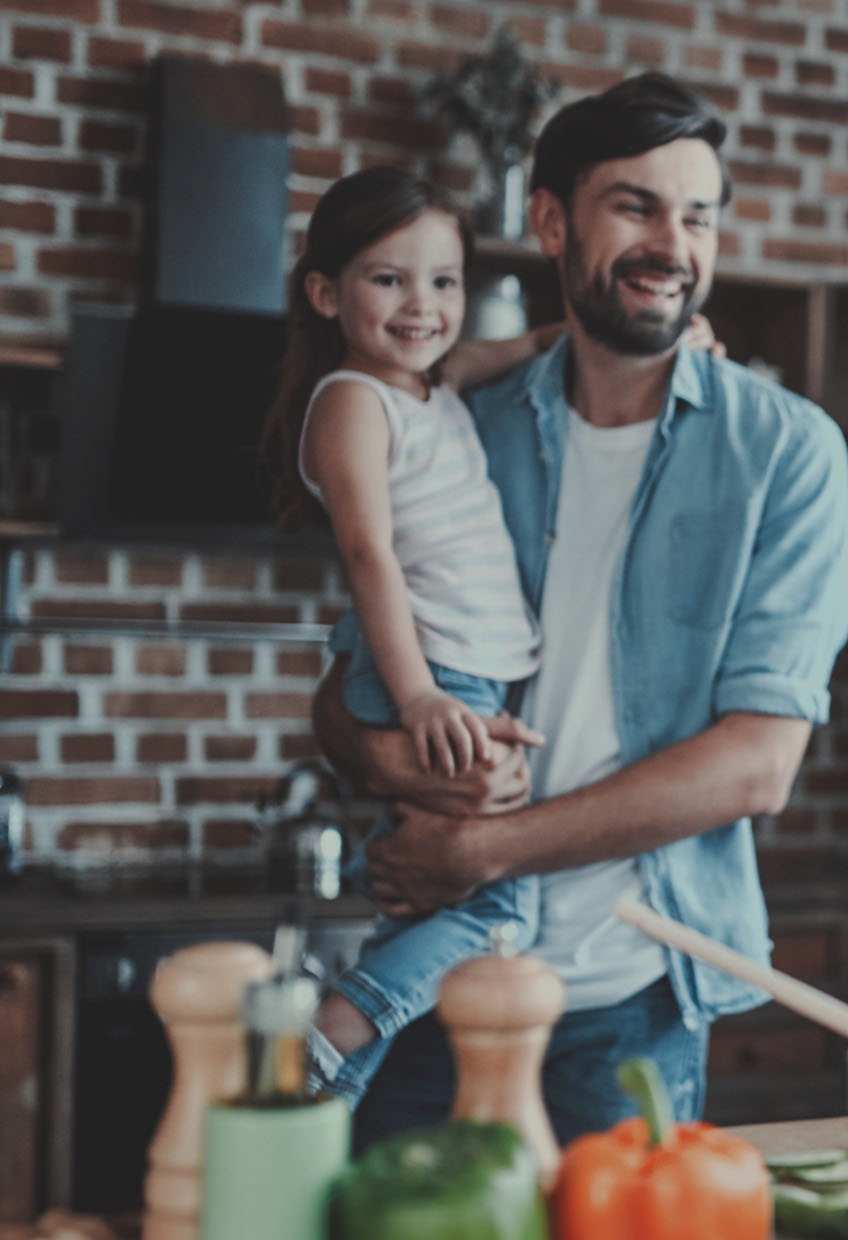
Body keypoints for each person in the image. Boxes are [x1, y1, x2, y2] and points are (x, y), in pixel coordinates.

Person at [309, 72, 848, 1147]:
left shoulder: (784, 453)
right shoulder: (459, 424)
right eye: (636, 206)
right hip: (436, 978)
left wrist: (488, 849)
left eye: (696, 214)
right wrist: (381, 762)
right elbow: (345, 691)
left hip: (629, 1003)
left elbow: (758, 765)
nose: (672, 242)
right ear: (550, 219)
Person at [261, 165, 567, 1103]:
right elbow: (370, 560)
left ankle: (318, 1095)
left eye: (442, 281)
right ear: (326, 293)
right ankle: (332, 1030)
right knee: (504, 902)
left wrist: (587, 334)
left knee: (448, 892)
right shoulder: (353, 401)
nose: (422, 305)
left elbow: (515, 348)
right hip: (434, 674)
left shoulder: (429, 382)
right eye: (388, 279)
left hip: (467, 672)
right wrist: (421, 696)